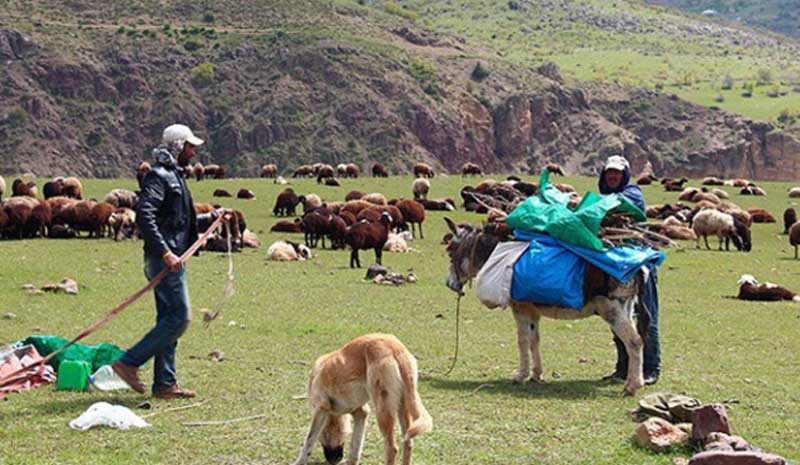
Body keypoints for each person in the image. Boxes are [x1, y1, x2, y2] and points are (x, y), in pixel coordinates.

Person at [112, 124, 228, 399]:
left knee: (168, 318)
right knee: (179, 317)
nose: (193, 151)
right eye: (189, 146)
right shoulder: (159, 176)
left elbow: (178, 222)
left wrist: (212, 217)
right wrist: (165, 252)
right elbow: (145, 216)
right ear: (177, 147)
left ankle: (165, 383)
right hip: (165, 259)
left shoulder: (174, 175)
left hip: (173, 256)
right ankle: (129, 362)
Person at [598, 155, 661, 386]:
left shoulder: (632, 193)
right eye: (609, 173)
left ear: (624, 175)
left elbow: (617, 204)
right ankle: (623, 368)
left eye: (616, 173)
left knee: (646, 314)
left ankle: (651, 368)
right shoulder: (604, 197)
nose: (612, 176)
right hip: (616, 264)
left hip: (639, 262)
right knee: (617, 316)